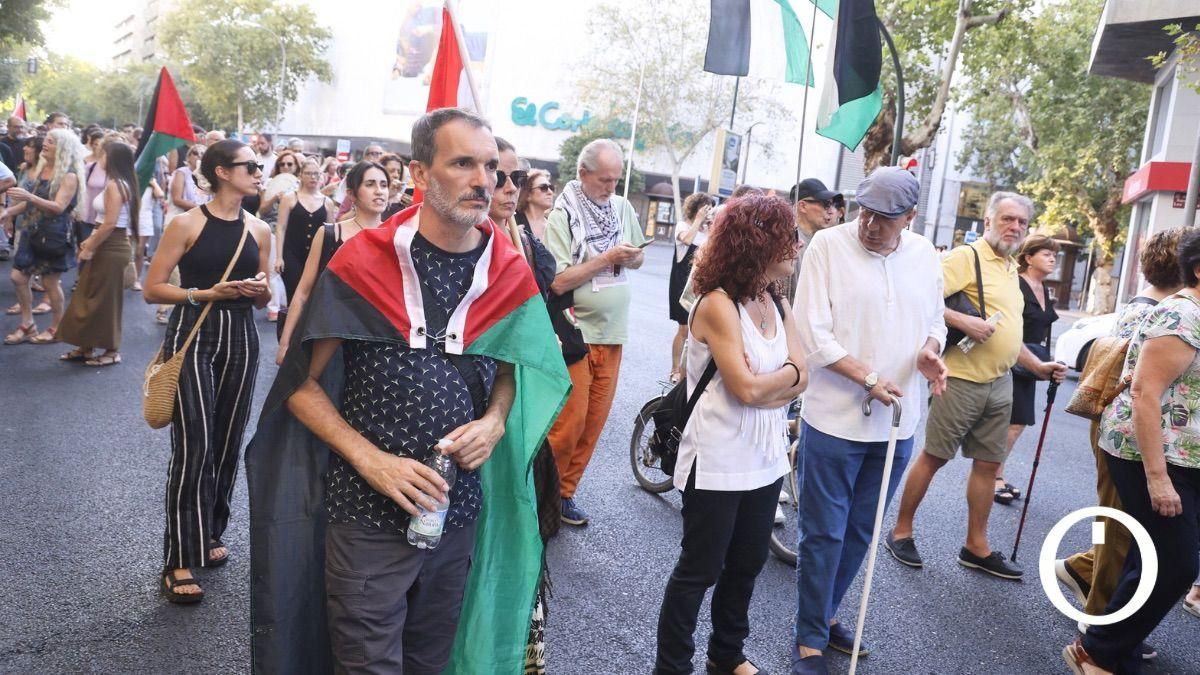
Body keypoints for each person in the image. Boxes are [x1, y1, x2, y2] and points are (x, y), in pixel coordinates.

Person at [245, 107, 570, 674]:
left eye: (491, 166)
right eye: (463, 163)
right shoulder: (363, 259)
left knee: (429, 663)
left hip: (458, 512)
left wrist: (495, 421)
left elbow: (510, 371)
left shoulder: (507, 270)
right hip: (369, 513)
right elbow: (300, 387)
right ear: (419, 175)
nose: (483, 180)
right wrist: (373, 462)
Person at [791, 167, 949, 674]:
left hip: (899, 423)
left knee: (861, 531)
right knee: (824, 533)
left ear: (910, 217)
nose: (869, 224)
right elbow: (812, 332)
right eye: (864, 211)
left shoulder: (924, 254)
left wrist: (930, 351)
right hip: (835, 418)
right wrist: (866, 377)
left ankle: (825, 614)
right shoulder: (827, 247)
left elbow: (935, 320)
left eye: (884, 217)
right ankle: (810, 636)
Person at [654, 194, 807, 675]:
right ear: (757, 242)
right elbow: (744, 388)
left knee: (746, 567)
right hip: (717, 457)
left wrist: (775, 383)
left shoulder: (776, 298)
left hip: (766, 456)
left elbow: (806, 372)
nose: (798, 246)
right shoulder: (718, 303)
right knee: (699, 570)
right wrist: (783, 381)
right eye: (789, 236)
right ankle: (672, 666)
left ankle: (726, 655)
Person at [886, 191, 1066, 580]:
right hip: (959, 378)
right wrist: (963, 321)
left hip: (1000, 381)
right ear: (987, 222)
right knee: (935, 456)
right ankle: (900, 531)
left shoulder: (1008, 268)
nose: (1014, 227)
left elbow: (1010, 333)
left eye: (1021, 222)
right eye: (1007, 219)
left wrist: (1037, 365)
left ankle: (976, 546)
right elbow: (919, 298)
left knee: (988, 464)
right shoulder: (966, 258)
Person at [1063, 229, 1200, 675]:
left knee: (1153, 555)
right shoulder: (1181, 316)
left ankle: (1113, 646)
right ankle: (1096, 649)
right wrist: (1157, 478)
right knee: (1176, 563)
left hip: (1188, 455)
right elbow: (1144, 394)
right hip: (1147, 454)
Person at [143, 139, 271, 603]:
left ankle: (209, 532)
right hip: (194, 332)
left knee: (228, 439)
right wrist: (205, 293)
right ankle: (178, 557)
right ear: (221, 171)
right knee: (193, 444)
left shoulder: (259, 229)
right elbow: (152, 288)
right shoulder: (186, 223)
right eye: (250, 166)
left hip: (242, 335)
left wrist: (256, 290)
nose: (259, 173)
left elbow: (267, 295)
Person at [545, 138, 646, 525]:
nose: (611, 188)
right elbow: (557, 281)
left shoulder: (621, 209)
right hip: (576, 332)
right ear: (582, 174)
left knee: (593, 425)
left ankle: (566, 494)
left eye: (616, 181)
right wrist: (606, 257)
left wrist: (632, 256)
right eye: (604, 180)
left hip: (612, 333)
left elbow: (637, 258)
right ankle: (545, 496)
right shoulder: (562, 216)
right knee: (567, 426)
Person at [274, 160, 389, 365]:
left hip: (374, 342)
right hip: (326, 336)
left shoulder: (396, 237)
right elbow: (303, 292)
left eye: (383, 185)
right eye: (370, 184)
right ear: (352, 194)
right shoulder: (329, 234)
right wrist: (285, 344)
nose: (379, 191)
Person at [56, 139, 140, 366]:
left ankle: (112, 351)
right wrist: (91, 242)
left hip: (110, 246)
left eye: (103, 154)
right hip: (106, 243)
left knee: (104, 301)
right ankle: (86, 346)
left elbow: (110, 223)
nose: (99, 157)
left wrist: (90, 247)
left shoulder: (116, 185)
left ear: (111, 159)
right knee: (90, 297)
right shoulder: (118, 182)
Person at [994, 234, 1061, 504]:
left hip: (1031, 363)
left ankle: (994, 472)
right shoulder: (1016, 284)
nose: (1053, 258)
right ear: (1028, 257)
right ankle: (993, 476)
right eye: (1046, 254)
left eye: (1054, 255)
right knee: (1011, 423)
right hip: (1010, 359)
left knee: (1014, 423)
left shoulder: (1043, 288)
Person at [2, 128, 86, 345]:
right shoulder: (42, 170)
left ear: (63, 148)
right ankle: (27, 323)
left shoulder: (69, 175)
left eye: (51, 141)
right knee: (18, 277)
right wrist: (8, 212)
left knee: (50, 282)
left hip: (54, 235)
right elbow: (28, 202)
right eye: (46, 140)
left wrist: (28, 196)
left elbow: (58, 207)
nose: (45, 144)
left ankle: (57, 327)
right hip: (32, 231)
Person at [275, 158, 336, 307]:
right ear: (301, 175)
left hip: (317, 255)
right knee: (294, 293)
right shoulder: (289, 198)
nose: (313, 177)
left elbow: (331, 233)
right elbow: (280, 228)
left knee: (313, 296)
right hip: (292, 253)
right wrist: (278, 257)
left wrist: (331, 259)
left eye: (316, 174)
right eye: (308, 173)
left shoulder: (327, 202)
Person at [668, 192, 715, 383]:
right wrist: (698, 220)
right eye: (705, 209)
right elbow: (687, 239)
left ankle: (688, 373)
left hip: (699, 283)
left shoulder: (707, 233)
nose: (707, 213)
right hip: (681, 283)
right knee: (684, 328)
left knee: (696, 331)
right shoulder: (684, 226)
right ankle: (674, 369)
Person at [516, 168, 554, 242]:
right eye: (543, 187)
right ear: (528, 195)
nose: (550, 192)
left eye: (551, 188)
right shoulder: (513, 223)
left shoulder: (554, 226)